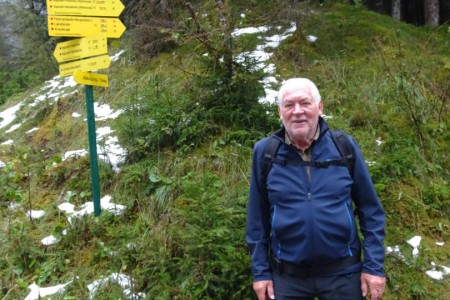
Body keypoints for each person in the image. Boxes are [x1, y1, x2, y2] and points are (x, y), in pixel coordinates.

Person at [246, 78, 386, 300]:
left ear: (320, 107)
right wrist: (261, 272)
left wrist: (373, 267)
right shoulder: (265, 153)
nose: (297, 111)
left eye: (305, 103)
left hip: (343, 274)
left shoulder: (344, 147)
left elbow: (371, 211)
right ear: (280, 112)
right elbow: (257, 219)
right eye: (289, 105)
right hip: (287, 277)